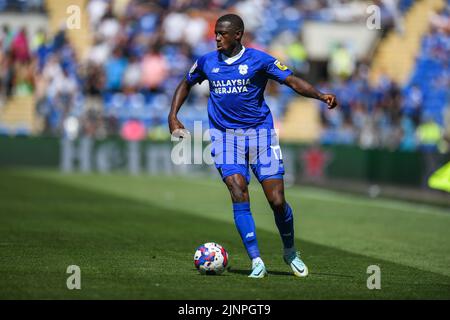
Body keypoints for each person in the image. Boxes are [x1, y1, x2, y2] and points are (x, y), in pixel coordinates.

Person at [168, 14, 338, 278]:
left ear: (237, 35)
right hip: (225, 138)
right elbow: (186, 83)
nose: (216, 38)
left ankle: (290, 251)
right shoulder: (206, 62)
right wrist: (173, 116)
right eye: (215, 33)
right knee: (238, 189)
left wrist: (320, 95)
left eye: (222, 34)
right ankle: (256, 260)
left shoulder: (260, 60)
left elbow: (291, 81)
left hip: (260, 136)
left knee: (277, 200)